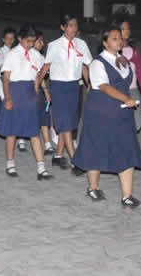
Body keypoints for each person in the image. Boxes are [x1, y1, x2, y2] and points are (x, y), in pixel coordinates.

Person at [73, 27, 141, 208]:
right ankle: (93, 188)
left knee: (126, 148)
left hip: (122, 113)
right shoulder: (98, 63)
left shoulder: (123, 60)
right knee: (96, 147)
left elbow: (127, 83)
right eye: (114, 38)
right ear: (104, 42)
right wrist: (126, 98)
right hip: (101, 113)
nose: (119, 41)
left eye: (120, 38)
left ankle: (127, 196)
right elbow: (103, 86)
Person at [36, 14, 92, 175]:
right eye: (70, 25)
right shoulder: (54, 45)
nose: (73, 29)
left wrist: (90, 84)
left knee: (70, 122)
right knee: (65, 124)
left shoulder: (81, 44)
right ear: (63, 27)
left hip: (74, 87)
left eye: (75, 25)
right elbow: (46, 67)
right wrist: (38, 85)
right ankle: (76, 161)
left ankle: (58, 155)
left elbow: (85, 66)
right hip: (59, 87)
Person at [0, 24, 52, 180]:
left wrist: (42, 87)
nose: (31, 44)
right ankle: (10, 163)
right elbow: (6, 78)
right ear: (20, 39)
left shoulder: (35, 54)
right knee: (12, 131)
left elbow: (42, 71)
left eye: (33, 41)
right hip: (15, 92)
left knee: (34, 131)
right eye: (28, 41)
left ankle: (41, 168)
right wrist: (7, 98)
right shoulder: (12, 55)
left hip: (29, 94)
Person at [115, 19, 141, 132]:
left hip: (133, 90)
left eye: (128, 28)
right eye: (123, 29)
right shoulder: (113, 50)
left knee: (136, 124)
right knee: (119, 124)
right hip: (118, 92)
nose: (127, 31)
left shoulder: (134, 51)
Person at [33, 31, 55, 155]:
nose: (42, 43)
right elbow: (38, 76)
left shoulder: (41, 57)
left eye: (42, 40)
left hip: (40, 88)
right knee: (34, 115)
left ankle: (47, 144)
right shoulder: (33, 56)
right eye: (39, 41)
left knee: (44, 114)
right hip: (33, 88)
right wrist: (45, 91)